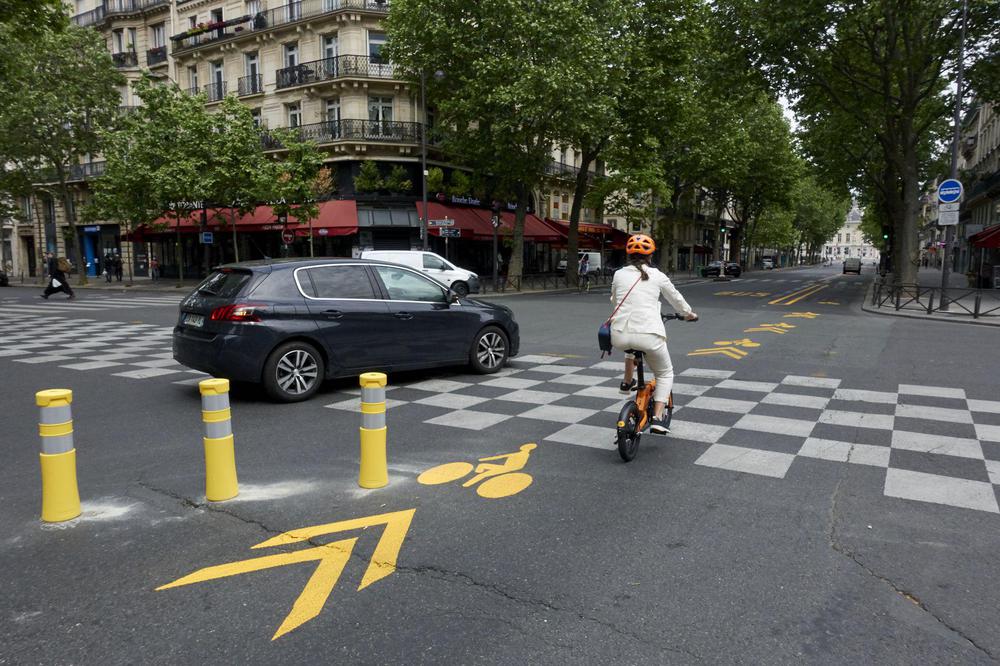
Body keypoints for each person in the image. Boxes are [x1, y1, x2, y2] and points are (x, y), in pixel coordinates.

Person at [610, 234, 696, 434]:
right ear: (650, 255)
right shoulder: (657, 275)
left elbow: (615, 300)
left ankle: (626, 382)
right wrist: (688, 314)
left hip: (619, 334)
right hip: (649, 334)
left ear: (629, 255)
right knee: (665, 373)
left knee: (631, 346)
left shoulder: (619, 274)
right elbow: (676, 299)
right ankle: (657, 417)